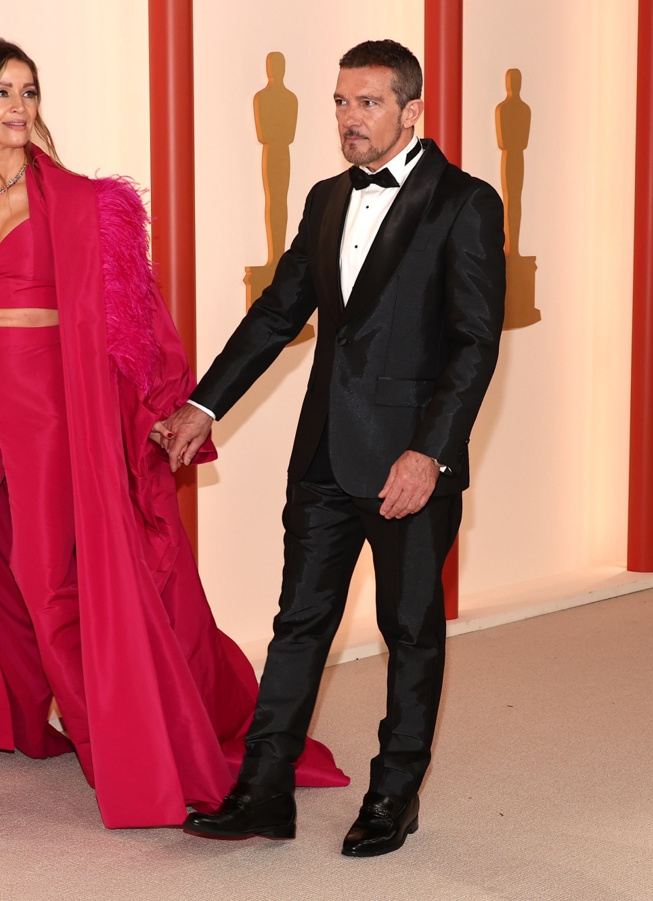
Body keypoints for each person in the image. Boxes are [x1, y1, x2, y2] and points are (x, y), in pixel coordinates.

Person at [0, 37, 347, 829]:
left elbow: (135, 320)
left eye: (29, 92)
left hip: (44, 403)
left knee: (49, 582)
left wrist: (168, 403)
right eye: (2, 94)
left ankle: (124, 755)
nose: (19, 108)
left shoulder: (85, 203)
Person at [167, 40, 505, 856]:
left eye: (370, 103)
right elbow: (279, 312)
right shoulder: (324, 199)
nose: (351, 119)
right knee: (299, 624)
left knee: (410, 629)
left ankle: (395, 793)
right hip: (322, 452)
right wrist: (205, 402)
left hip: (408, 464)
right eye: (343, 103)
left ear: (411, 110)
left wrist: (430, 452)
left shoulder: (465, 202)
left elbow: (473, 342)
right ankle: (263, 789)